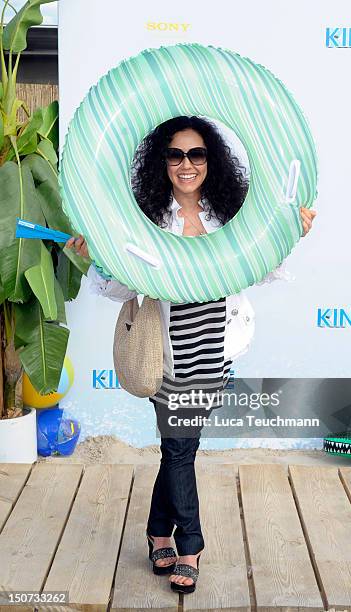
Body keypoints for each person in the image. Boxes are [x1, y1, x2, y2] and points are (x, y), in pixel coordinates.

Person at [66, 115, 316, 594]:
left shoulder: (228, 217)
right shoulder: (145, 221)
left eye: (196, 154)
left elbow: (259, 269)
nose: (186, 164)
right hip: (167, 358)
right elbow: (121, 288)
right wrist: (89, 256)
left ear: (210, 161)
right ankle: (191, 545)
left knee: (178, 449)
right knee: (181, 450)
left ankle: (158, 531)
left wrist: (291, 233)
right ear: (162, 163)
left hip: (213, 354)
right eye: (176, 154)